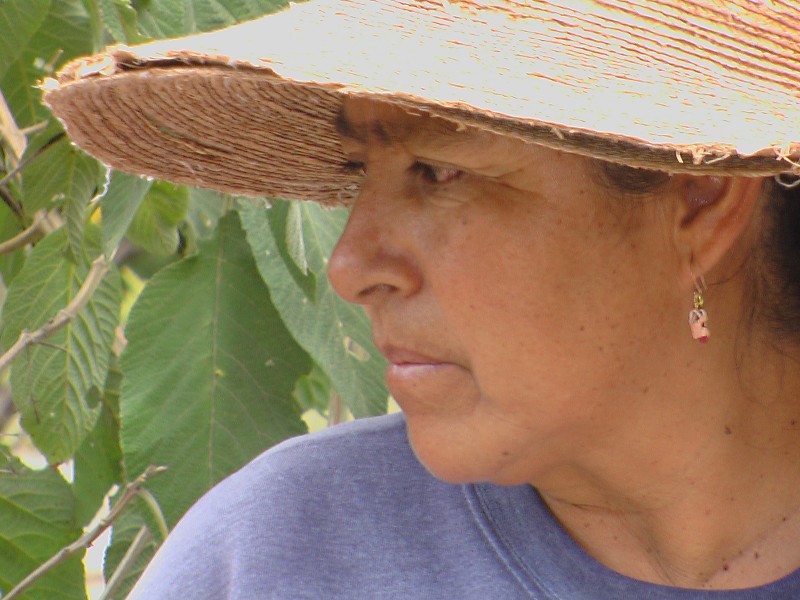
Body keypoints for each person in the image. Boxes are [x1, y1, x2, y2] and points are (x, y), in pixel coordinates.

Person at [45, 0, 800, 597]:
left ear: (698, 197)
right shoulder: (285, 555)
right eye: (356, 170)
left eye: (438, 172)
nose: (349, 266)